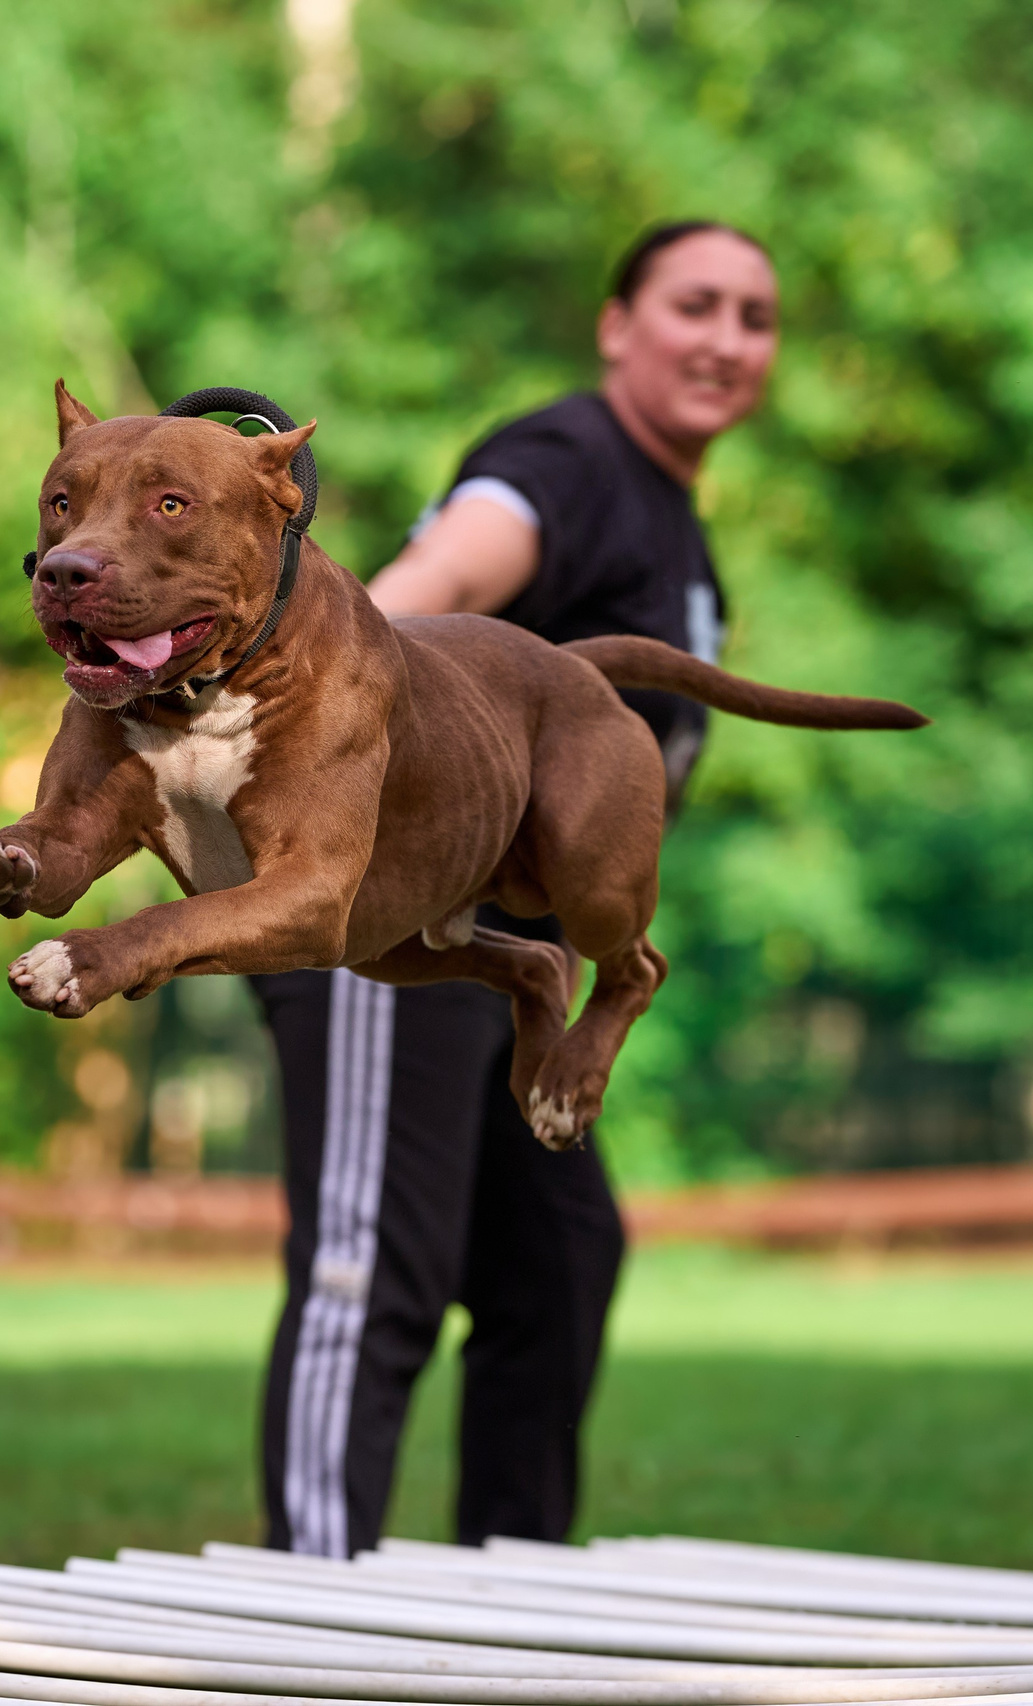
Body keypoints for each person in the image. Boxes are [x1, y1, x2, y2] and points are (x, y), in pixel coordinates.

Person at [252, 222, 779, 1556]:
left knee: (558, 1258)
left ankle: (509, 1597)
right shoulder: (562, 462)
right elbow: (421, 590)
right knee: (375, 1272)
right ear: (617, 325)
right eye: (695, 304)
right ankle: (314, 1619)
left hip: (505, 958)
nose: (727, 338)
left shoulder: (669, 513)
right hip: (393, 911)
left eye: (756, 317)